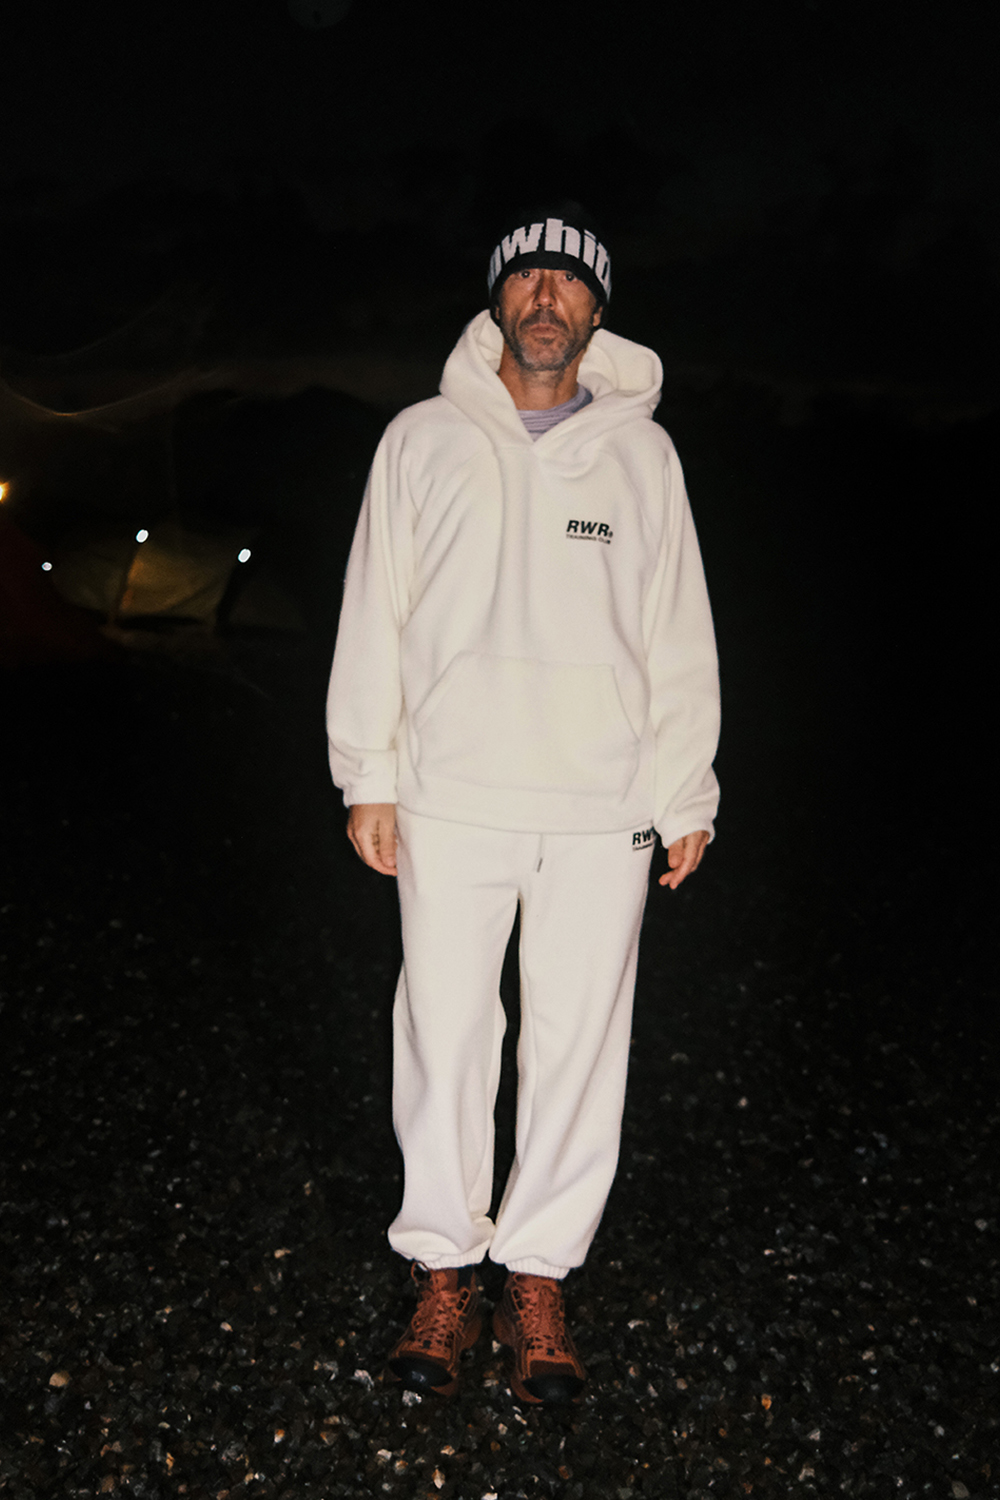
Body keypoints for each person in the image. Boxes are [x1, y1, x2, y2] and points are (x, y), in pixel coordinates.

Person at [325, 202, 720, 1405]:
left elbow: (676, 632)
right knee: (444, 1033)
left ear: (598, 311)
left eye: (569, 282)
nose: (546, 298)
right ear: (497, 299)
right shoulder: (420, 439)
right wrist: (368, 774)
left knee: (578, 1043)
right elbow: (375, 610)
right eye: (527, 279)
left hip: (602, 804)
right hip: (451, 793)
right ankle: (444, 1269)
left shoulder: (644, 457)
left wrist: (685, 787)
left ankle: (538, 1275)